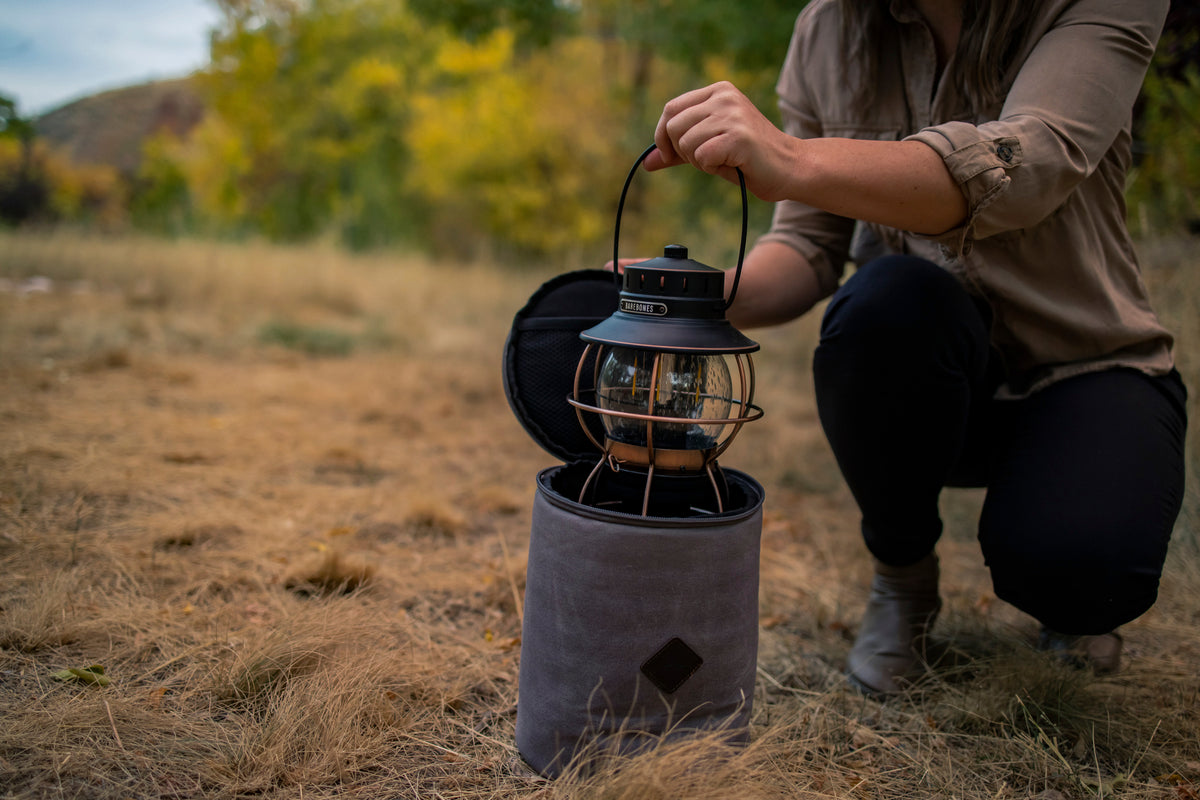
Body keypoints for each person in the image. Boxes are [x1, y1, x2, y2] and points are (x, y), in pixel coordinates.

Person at [642, 0, 1187, 696]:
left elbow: (1025, 166)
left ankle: (1068, 597)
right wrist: (685, 296)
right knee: (884, 301)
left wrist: (791, 157)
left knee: (1085, 570)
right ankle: (903, 577)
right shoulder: (828, 26)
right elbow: (808, 247)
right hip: (922, 374)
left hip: (1086, 364)